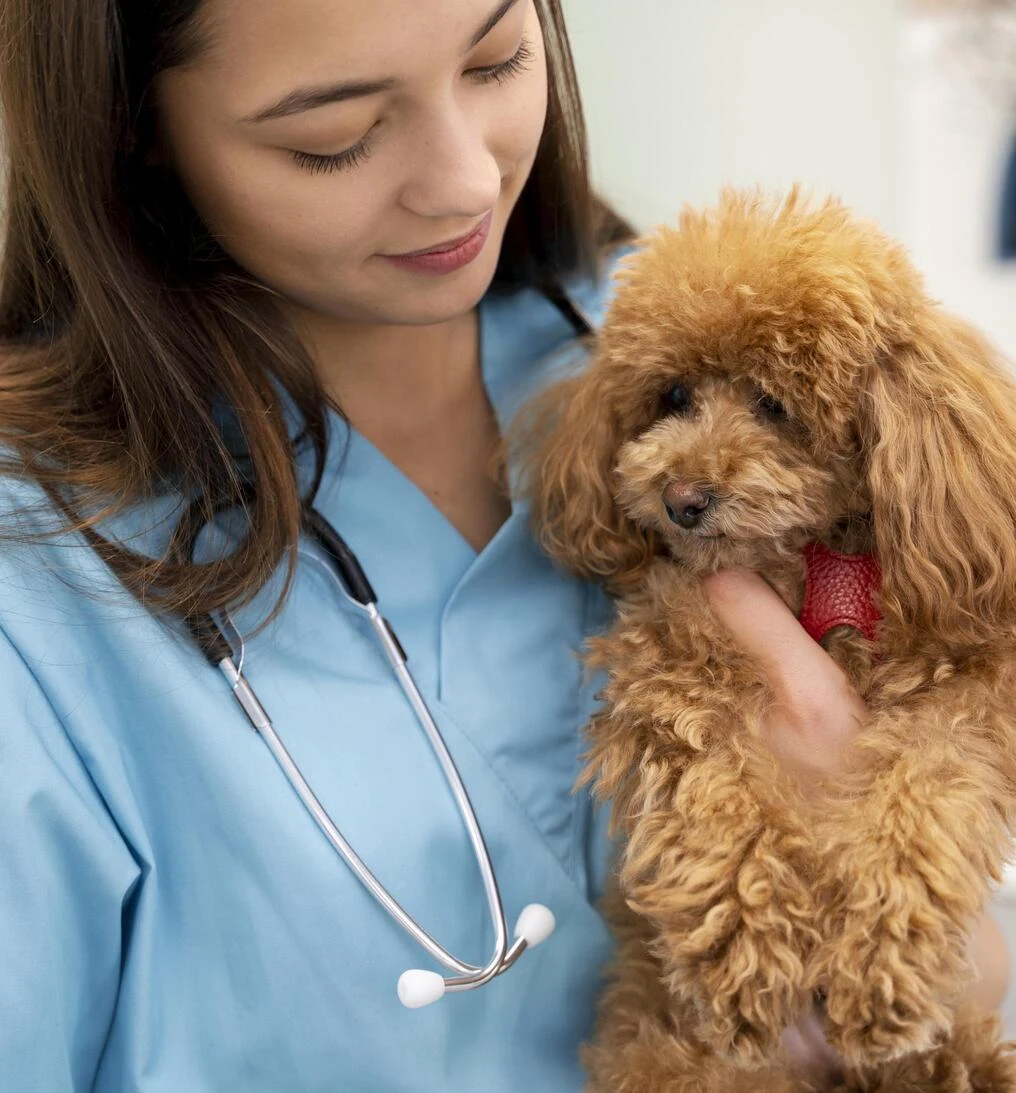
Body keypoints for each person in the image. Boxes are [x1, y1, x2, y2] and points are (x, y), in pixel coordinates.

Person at [0, 1, 1008, 1090]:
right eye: (331, 136)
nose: (465, 182)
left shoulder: (652, 336)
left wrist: (941, 940)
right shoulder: (40, 585)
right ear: (132, 124)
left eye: (496, 60)